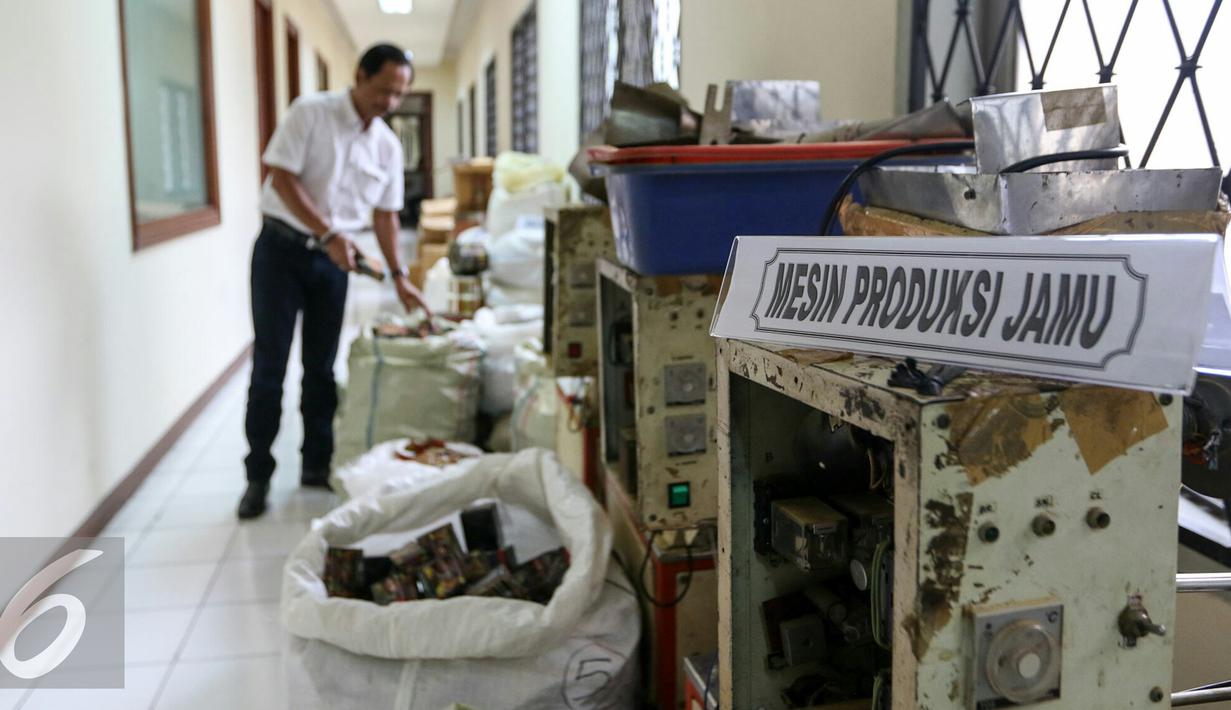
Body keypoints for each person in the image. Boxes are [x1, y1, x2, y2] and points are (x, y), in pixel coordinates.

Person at [238, 43, 430, 519]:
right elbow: (281, 177)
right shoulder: (311, 113)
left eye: (399, 95)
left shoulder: (386, 145)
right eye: (383, 90)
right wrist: (327, 233)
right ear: (360, 76)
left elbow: (385, 215)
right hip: (281, 252)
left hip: (331, 265)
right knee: (270, 367)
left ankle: (316, 465)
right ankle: (257, 475)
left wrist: (400, 277)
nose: (389, 102)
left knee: (322, 369)